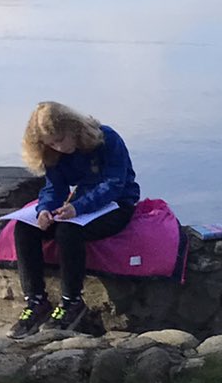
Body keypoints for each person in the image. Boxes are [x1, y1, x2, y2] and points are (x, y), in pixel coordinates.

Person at [10, 101, 140, 338]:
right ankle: (35, 301)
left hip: (117, 204)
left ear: (73, 128)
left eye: (60, 139)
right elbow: (54, 187)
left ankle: (72, 301)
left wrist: (78, 207)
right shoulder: (54, 153)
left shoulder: (108, 140)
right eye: (51, 143)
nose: (58, 147)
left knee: (68, 232)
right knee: (24, 228)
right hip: (80, 207)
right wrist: (45, 210)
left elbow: (114, 185)